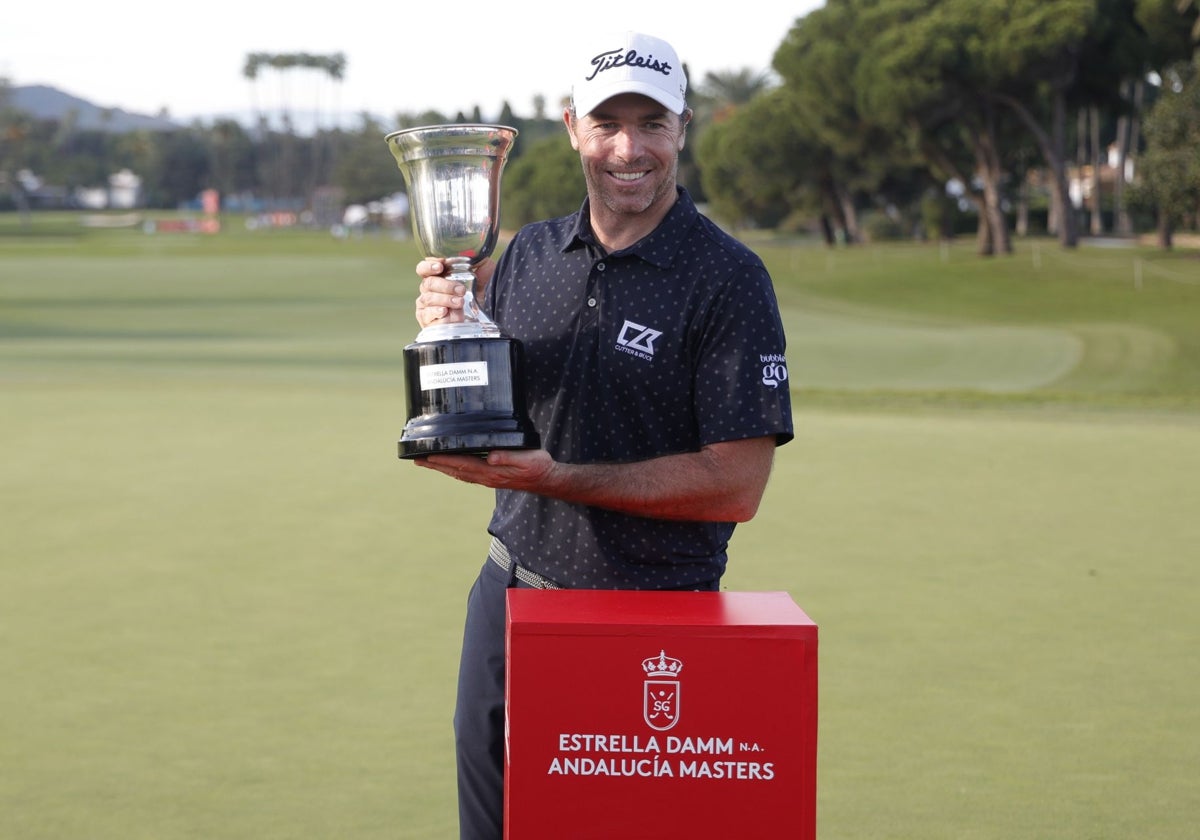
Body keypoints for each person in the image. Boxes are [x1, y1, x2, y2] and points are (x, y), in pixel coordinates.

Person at [411, 30, 794, 840]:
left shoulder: (729, 279)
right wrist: (448, 328)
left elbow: (737, 485)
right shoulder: (527, 255)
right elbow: (491, 405)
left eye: (651, 123)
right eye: (608, 123)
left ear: (682, 128)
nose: (630, 148)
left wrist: (556, 476)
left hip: (650, 622)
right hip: (508, 600)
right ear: (572, 127)